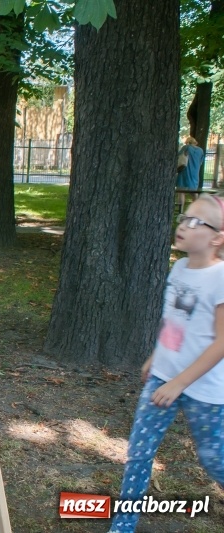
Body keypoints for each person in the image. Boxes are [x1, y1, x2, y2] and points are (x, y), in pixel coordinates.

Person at [108, 194, 224, 532]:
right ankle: (123, 525)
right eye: (183, 217)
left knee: (214, 459)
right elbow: (173, 321)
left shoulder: (220, 278)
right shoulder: (179, 268)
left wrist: (179, 383)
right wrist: (156, 357)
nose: (183, 225)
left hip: (205, 390)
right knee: (139, 453)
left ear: (216, 237)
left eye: (194, 222)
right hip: (163, 377)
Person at [176, 136, 205, 213]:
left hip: (184, 172)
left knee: (181, 192)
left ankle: (180, 211)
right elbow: (201, 162)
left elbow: (178, 156)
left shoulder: (186, 147)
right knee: (194, 193)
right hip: (195, 173)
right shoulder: (201, 150)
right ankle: (196, 211)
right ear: (195, 142)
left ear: (187, 142)